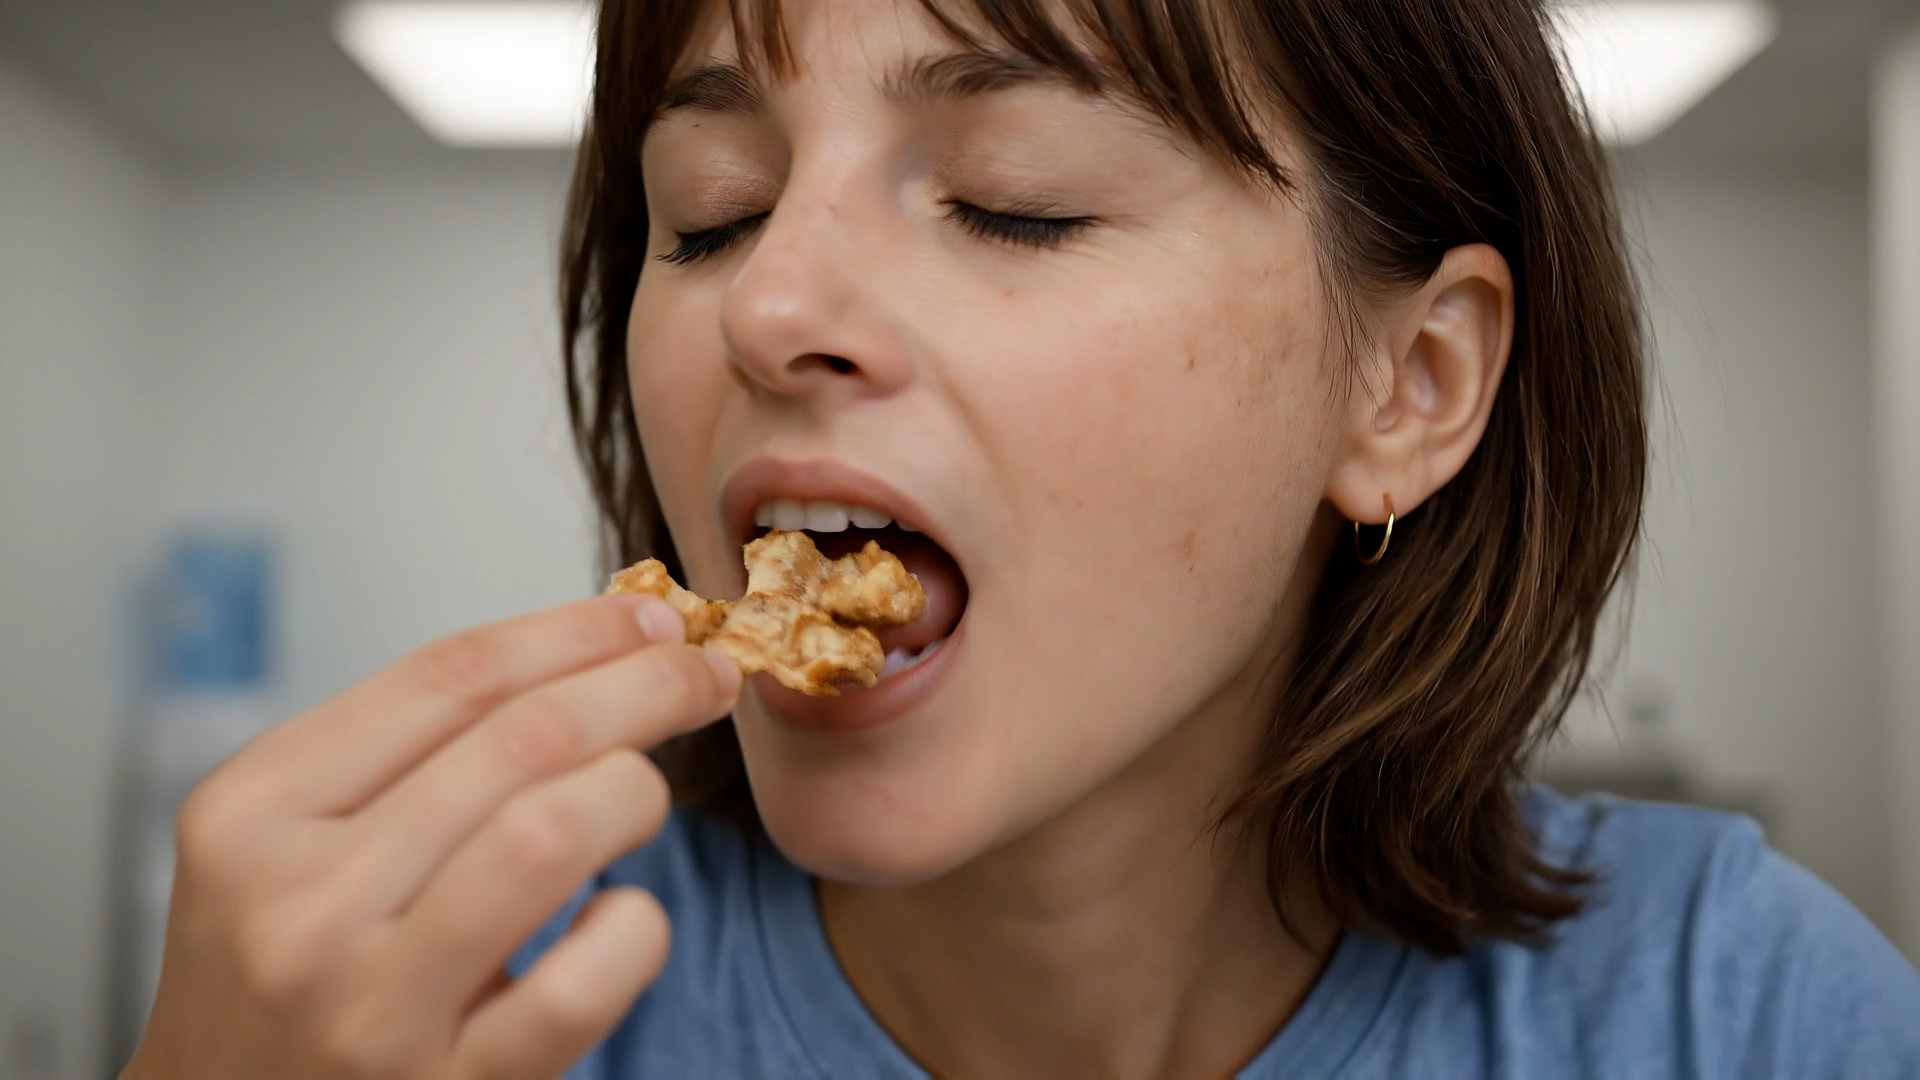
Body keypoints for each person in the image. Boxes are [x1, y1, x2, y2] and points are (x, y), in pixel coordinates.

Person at [124, 0, 1920, 1076]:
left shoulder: (1739, 1014)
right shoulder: (460, 1019)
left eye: (1015, 201)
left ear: (1409, 385)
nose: (773, 304)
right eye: (709, 214)